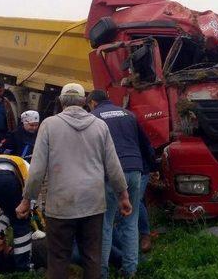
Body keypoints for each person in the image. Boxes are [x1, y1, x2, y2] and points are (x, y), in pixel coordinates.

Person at [16, 83, 132, 279]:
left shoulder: (49, 125)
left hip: (61, 205)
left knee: (59, 259)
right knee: (92, 257)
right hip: (93, 204)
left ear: (61, 102)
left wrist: (27, 200)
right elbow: (113, 166)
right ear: (85, 102)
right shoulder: (100, 126)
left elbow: (37, 170)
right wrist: (123, 196)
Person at [86, 90, 154, 278]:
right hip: (135, 170)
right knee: (131, 222)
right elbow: (145, 144)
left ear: (92, 102)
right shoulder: (128, 114)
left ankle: (102, 272)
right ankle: (130, 270)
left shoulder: (93, 118)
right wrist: (149, 167)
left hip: (111, 172)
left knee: (105, 223)